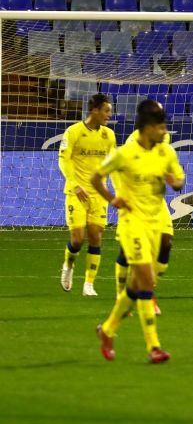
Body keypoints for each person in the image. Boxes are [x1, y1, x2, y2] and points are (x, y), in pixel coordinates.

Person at [91, 100, 185, 363]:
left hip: (156, 222)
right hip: (133, 223)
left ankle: (107, 329)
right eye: (161, 127)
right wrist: (112, 198)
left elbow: (179, 180)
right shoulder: (124, 153)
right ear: (148, 128)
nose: (165, 131)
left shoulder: (166, 152)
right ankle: (154, 346)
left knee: (137, 285)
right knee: (145, 280)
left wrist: (175, 182)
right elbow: (95, 178)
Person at [113, 103, 176, 316]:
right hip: (135, 204)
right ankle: (124, 294)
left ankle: (146, 288)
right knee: (127, 252)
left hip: (156, 203)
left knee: (166, 243)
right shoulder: (132, 144)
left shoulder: (163, 138)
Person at [58, 93, 116, 296]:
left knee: (96, 236)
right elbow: (64, 160)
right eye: (107, 110)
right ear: (94, 110)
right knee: (77, 239)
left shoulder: (109, 135)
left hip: (98, 194)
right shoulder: (73, 131)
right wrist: (74, 185)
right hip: (77, 192)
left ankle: (89, 284)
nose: (110, 115)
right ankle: (68, 264)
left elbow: (112, 165)